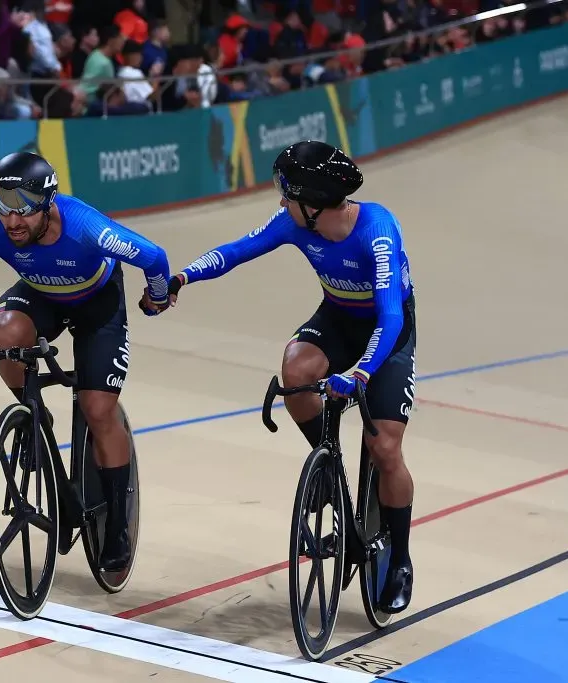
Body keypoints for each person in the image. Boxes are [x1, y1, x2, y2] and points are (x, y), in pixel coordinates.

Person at [148, 140, 417, 614]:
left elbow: (390, 316)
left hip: (386, 331)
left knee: (386, 447)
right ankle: (329, 467)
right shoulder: (295, 223)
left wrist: (361, 371)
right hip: (337, 318)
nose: (280, 201)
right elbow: (238, 250)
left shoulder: (377, 229)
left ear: (313, 203)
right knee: (295, 372)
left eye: (285, 192)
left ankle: (400, 559)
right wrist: (183, 278)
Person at [0, 151, 172, 572]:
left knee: (97, 409)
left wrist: (157, 296)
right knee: (5, 328)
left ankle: (119, 524)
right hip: (41, 295)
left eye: (23, 212)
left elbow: (155, 258)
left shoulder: (85, 225)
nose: (11, 221)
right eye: (2, 206)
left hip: (97, 305)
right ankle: (36, 416)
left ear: (48, 204)